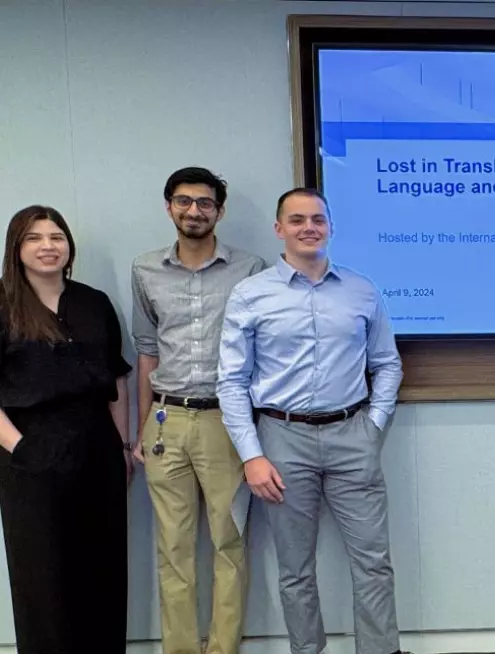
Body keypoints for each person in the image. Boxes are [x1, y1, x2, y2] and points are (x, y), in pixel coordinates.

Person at [217, 187, 405, 654]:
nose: (308, 228)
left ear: (330, 227)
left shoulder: (361, 290)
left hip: (352, 435)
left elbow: (387, 364)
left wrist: (374, 425)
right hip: (281, 440)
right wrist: (252, 457)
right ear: (279, 229)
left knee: (374, 562)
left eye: (317, 219)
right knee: (295, 568)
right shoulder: (251, 295)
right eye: (297, 220)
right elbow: (231, 382)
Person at [131, 166, 267, 654]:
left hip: (225, 423)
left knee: (229, 545)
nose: (194, 211)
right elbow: (147, 351)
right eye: (184, 201)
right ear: (169, 206)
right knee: (173, 549)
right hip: (166, 420)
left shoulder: (251, 269)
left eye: (205, 203)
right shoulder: (145, 269)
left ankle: (224, 649)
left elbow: (263, 348)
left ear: (219, 211)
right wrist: (140, 427)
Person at [0, 205, 131, 653]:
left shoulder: (93, 302)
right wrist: (21, 449)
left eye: (56, 236)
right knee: (43, 576)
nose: (48, 246)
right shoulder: (3, 306)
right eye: (34, 238)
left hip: (97, 445)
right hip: (31, 449)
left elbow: (116, 379)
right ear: (16, 249)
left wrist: (124, 446)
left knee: (101, 568)